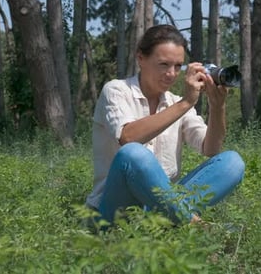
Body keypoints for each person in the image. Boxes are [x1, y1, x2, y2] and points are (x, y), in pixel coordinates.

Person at [85, 24, 245, 227]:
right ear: (141, 58)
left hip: (159, 206)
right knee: (133, 153)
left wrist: (217, 106)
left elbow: (210, 148)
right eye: (164, 64)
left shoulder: (176, 102)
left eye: (178, 66)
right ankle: (194, 226)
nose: (172, 73)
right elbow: (128, 137)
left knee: (233, 162)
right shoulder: (116, 90)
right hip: (114, 210)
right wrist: (186, 103)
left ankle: (168, 222)